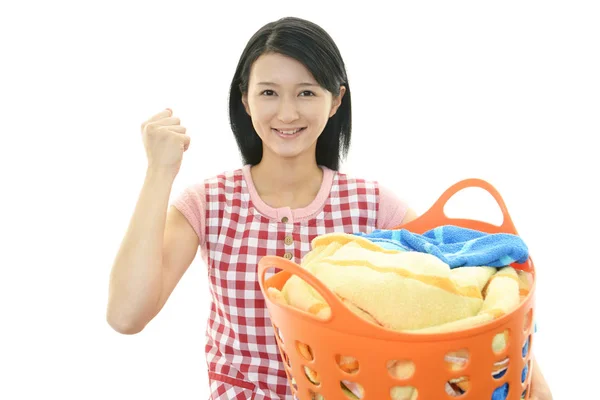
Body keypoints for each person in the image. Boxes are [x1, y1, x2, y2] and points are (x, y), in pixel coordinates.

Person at [106, 16, 552, 400]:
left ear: (335, 100)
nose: (286, 112)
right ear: (244, 99)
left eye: (306, 92)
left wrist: (530, 376)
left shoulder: (375, 206)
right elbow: (126, 315)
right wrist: (159, 172)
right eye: (268, 93)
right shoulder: (209, 203)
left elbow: (450, 301)